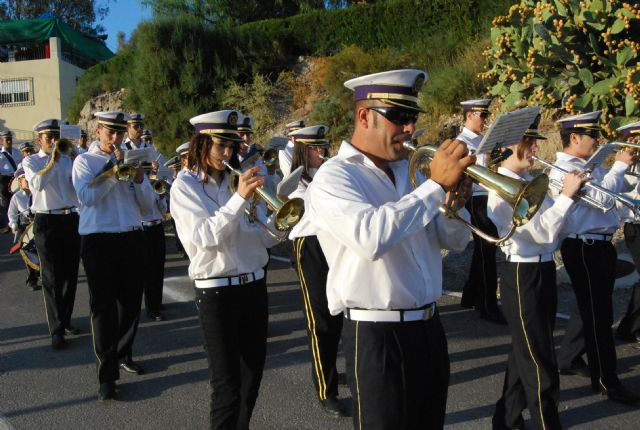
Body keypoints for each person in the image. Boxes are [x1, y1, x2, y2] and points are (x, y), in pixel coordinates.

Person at [305, 69, 474, 429]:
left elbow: (454, 241)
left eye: (412, 117)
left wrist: (455, 204)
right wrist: (434, 188)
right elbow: (370, 238)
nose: (409, 128)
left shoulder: (411, 172)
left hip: (429, 329)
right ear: (364, 115)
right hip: (377, 337)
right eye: (398, 116)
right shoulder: (334, 176)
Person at [170, 110, 280, 429]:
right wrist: (238, 199)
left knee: (251, 379)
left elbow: (260, 238)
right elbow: (203, 237)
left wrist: (283, 222)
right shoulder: (185, 187)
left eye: (232, 146)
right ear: (202, 144)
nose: (228, 154)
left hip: (253, 287)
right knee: (227, 385)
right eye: (221, 146)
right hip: (216, 291)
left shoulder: (236, 181)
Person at [488, 117, 584, 430]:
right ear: (505, 148)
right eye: (527, 143)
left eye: (534, 141)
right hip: (522, 275)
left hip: (542, 270)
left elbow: (556, 234)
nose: (534, 148)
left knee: (525, 351)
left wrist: (569, 202)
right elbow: (540, 234)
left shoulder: (532, 182)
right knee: (539, 357)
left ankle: (505, 419)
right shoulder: (499, 191)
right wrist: (565, 199)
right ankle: (547, 422)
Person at [552, 111, 640, 406]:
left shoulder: (588, 165)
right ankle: (607, 380)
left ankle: (569, 357)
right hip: (583, 247)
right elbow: (601, 198)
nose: (598, 141)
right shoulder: (563, 169)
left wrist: (629, 167)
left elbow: (620, 191)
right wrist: (617, 166)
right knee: (599, 317)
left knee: (593, 308)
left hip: (600, 246)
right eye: (593, 136)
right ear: (574, 137)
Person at [72, 111, 156, 401]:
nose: (116, 138)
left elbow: (147, 207)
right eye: (111, 132)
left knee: (131, 305)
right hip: (99, 239)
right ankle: (106, 375)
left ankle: (122, 353)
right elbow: (87, 197)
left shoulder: (131, 161)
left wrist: (141, 179)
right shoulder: (85, 161)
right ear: (98, 131)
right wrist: (113, 169)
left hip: (132, 237)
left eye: (120, 133)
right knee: (103, 307)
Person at [287, 124, 347, 418]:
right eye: (315, 148)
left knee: (339, 312)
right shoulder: (293, 182)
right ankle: (326, 390)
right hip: (308, 244)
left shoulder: (326, 174)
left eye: (324, 147)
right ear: (302, 150)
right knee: (319, 319)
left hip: (333, 241)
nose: (322, 152)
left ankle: (333, 369)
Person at [22, 119, 81, 349]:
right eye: (49, 138)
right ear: (39, 140)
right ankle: (56, 329)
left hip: (70, 218)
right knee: (52, 277)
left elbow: (77, 186)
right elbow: (36, 184)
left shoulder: (68, 158)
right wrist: (54, 161)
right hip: (46, 219)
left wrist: (77, 161)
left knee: (70, 274)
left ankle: (65, 320)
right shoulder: (31, 161)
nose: (55, 141)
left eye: (57, 137)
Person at [456, 98, 506, 324]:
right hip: (474, 198)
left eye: (486, 115)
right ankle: (488, 306)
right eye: (482, 115)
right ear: (469, 116)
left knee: (482, 249)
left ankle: (470, 295)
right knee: (487, 249)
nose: (486, 120)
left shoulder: (483, 140)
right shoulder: (461, 143)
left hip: (487, 196)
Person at [616, 120, 640, 345]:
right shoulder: (626, 171)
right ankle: (628, 327)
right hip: (636, 226)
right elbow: (623, 203)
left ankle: (629, 327)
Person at [7, 167, 40, 291]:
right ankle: (32, 279)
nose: (27, 181)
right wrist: (13, 225)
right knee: (28, 253)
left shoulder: (37, 192)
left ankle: (42, 274)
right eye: (25, 179)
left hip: (38, 225)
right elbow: (11, 214)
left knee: (42, 252)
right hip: (24, 228)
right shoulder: (16, 197)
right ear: (20, 182)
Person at [1, 130, 23, 233]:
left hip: (17, 178)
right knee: (6, 202)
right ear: (2, 140)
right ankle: (8, 224)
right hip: (4, 179)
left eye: (10, 139)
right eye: (7, 139)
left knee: (18, 199)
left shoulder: (17, 152)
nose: (9, 141)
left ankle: (18, 221)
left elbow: (22, 163)